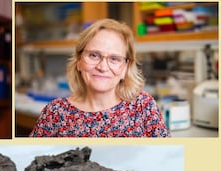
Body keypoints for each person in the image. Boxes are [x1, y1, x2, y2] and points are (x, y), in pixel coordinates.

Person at [30, 19, 170, 137]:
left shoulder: (143, 107)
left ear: (125, 68)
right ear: (79, 61)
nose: (103, 67)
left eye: (114, 58)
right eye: (94, 55)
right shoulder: (54, 113)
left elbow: (167, 158)